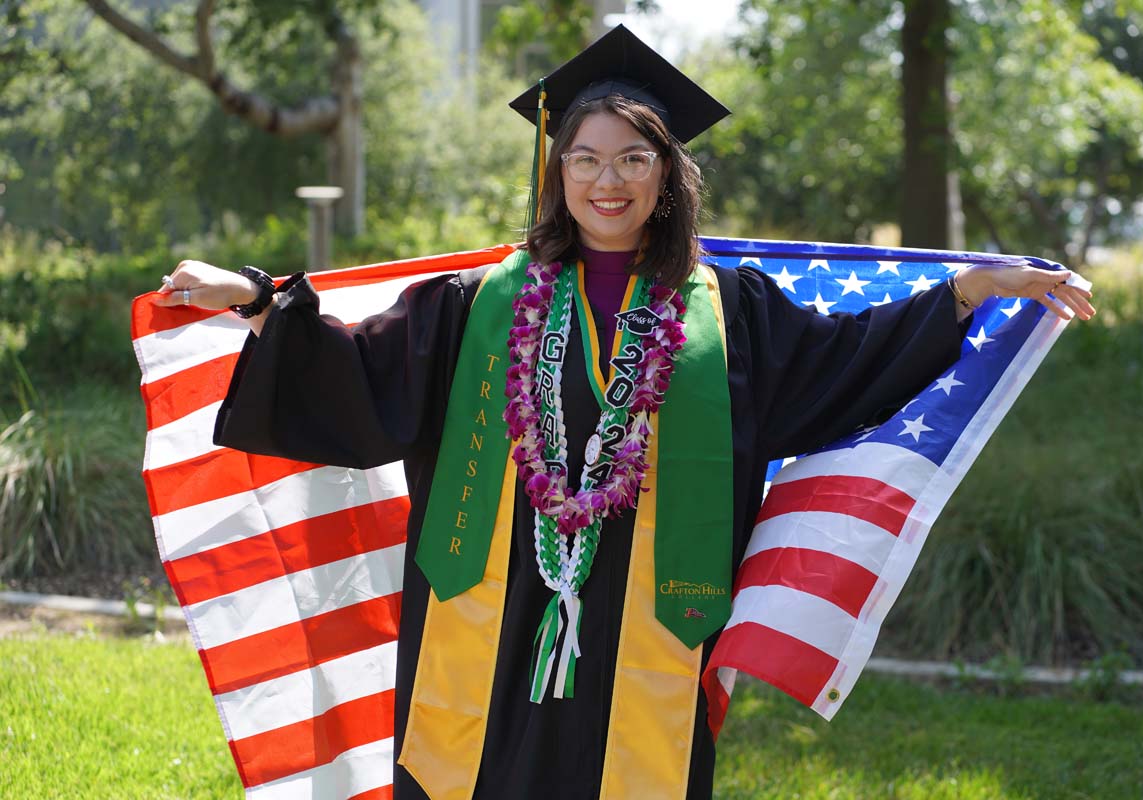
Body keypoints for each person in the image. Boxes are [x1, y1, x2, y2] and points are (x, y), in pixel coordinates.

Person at [155, 24, 1095, 800]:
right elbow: (354, 374)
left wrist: (972, 287)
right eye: (587, 160)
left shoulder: (730, 311)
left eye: (634, 158)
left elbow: (842, 361)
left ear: (666, 173)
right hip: (489, 618)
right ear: (558, 172)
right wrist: (251, 295)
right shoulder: (480, 302)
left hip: (647, 621)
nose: (609, 181)